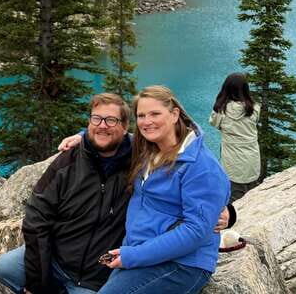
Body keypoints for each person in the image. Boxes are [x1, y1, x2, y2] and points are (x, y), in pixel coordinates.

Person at [0, 93, 233, 294]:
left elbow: (201, 204)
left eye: (111, 121)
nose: (102, 126)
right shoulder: (71, 161)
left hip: (102, 269)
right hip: (62, 257)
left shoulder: (138, 155)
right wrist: (38, 284)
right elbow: (36, 219)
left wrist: (227, 213)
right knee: (5, 267)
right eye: (96, 119)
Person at [98, 85, 230, 294]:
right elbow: (110, 136)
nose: (146, 121)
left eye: (155, 114)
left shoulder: (200, 165)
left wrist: (134, 256)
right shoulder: (148, 150)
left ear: (174, 114)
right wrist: (81, 136)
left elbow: (195, 231)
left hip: (183, 264)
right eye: (141, 115)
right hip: (142, 251)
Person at [209, 72, 261, 202]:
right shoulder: (254, 108)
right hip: (252, 162)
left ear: (225, 88)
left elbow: (213, 123)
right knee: (252, 197)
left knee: (233, 200)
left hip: (232, 164)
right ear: (245, 89)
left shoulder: (221, 110)